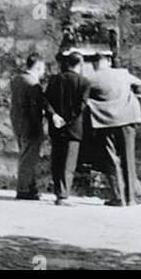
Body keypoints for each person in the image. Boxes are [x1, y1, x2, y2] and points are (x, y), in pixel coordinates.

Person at [83, 51, 141, 206]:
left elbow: (83, 98)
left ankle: (118, 197)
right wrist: (134, 99)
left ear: (94, 63)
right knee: (128, 158)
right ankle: (131, 198)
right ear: (108, 60)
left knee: (111, 159)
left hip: (106, 121)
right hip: (127, 119)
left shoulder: (90, 79)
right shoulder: (123, 74)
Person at [45, 52, 92, 204]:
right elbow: (81, 106)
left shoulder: (54, 80)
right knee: (68, 163)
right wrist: (68, 120)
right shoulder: (84, 82)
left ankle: (58, 192)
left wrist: (54, 116)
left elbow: (46, 101)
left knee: (56, 160)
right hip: (73, 128)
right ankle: (63, 195)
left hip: (56, 125)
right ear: (80, 64)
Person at [10, 53, 50, 200]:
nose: (44, 72)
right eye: (43, 68)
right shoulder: (33, 84)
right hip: (31, 125)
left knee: (25, 155)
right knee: (29, 158)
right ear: (38, 66)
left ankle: (30, 187)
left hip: (18, 123)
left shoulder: (17, 80)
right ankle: (24, 189)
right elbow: (35, 109)